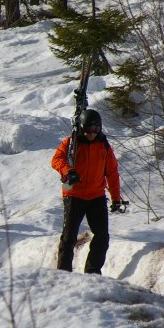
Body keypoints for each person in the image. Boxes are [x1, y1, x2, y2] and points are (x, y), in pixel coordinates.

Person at [51, 108, 125, 274]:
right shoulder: (71, 143)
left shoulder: (104, 145)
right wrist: (68, 171)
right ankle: (63, 273)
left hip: (96, 197)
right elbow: (56, 159)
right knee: (69, 238)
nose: (92, 133)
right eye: (89, 129)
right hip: (74, 196)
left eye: (96, 129)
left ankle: (93, 272)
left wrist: (116, 198)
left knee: (102, 237)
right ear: (81, 128)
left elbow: (112, 173)